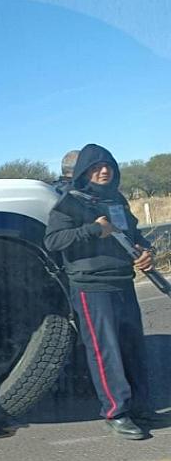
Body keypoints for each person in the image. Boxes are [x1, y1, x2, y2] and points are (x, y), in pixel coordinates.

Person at [44, 144, 157, 440]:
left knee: (133, 348)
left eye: (108, 166)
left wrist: (146, 251)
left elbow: (133, 234)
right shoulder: (70, 202)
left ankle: (140, 407)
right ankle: (116, 413)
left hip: (123, 281)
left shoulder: (116, 199)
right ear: (84, 172)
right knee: (106, 351)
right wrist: (93, 230)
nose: (104, 171)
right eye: (96, 167)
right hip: (91, 287)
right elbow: (53, 241)